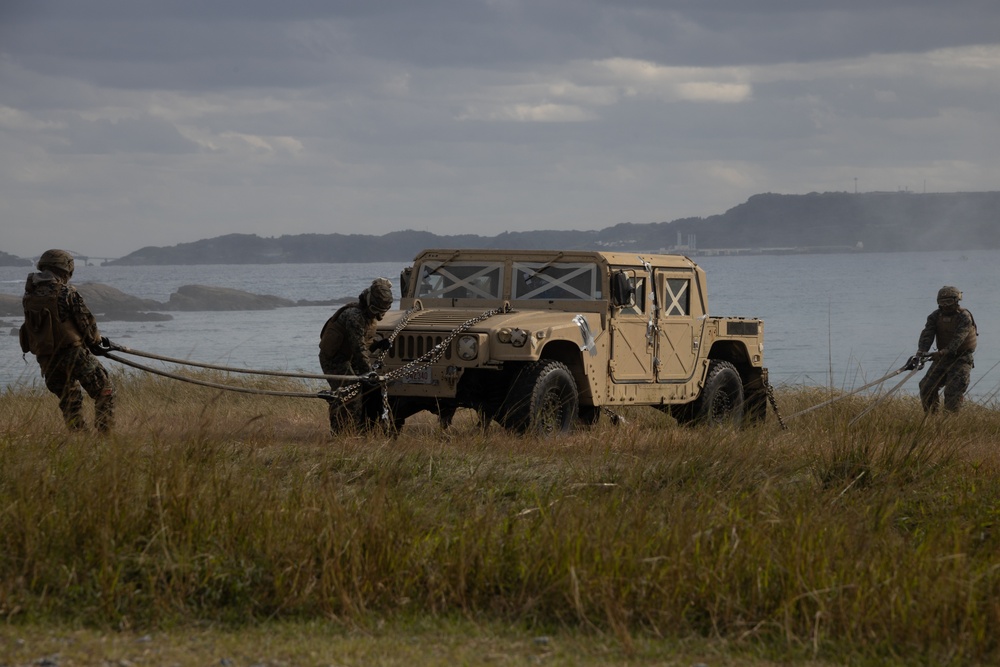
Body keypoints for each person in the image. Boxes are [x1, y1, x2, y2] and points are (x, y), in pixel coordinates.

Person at [19, 249, 116, 432]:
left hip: (46, 359)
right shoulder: (66, 292)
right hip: (73, 354)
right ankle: (105, 438)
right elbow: (86, 323)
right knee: (105, 391)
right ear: (66, 269)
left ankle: (79, 440)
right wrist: (95, 341)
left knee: (69, 399)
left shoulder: (29, 295)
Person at [318, 277, 394, 433]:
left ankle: (361, 430)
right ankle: (341, 432)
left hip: (349, 358)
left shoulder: (367, 318)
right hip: (335, 359)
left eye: (381, 312)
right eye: (375, 311)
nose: (378, 315)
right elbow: (358, 349)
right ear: (368, 302)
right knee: (350, 394)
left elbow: (363, 346)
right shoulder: (354, 316)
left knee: (368, 392)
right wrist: (369, 372)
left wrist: (377, 345)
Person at [912, 285, 977, 414]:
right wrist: (921, 352)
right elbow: (927, 334)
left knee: (952, 392)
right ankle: (931, 417)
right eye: (942, 302)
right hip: (941, 358)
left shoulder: (964, 316)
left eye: (949, 302)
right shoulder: (935, 316)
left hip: (961, 359)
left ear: (957, 301)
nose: (946, 305)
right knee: (926, 386)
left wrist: (943, 352)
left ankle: (950, 424)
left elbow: (959, 338)